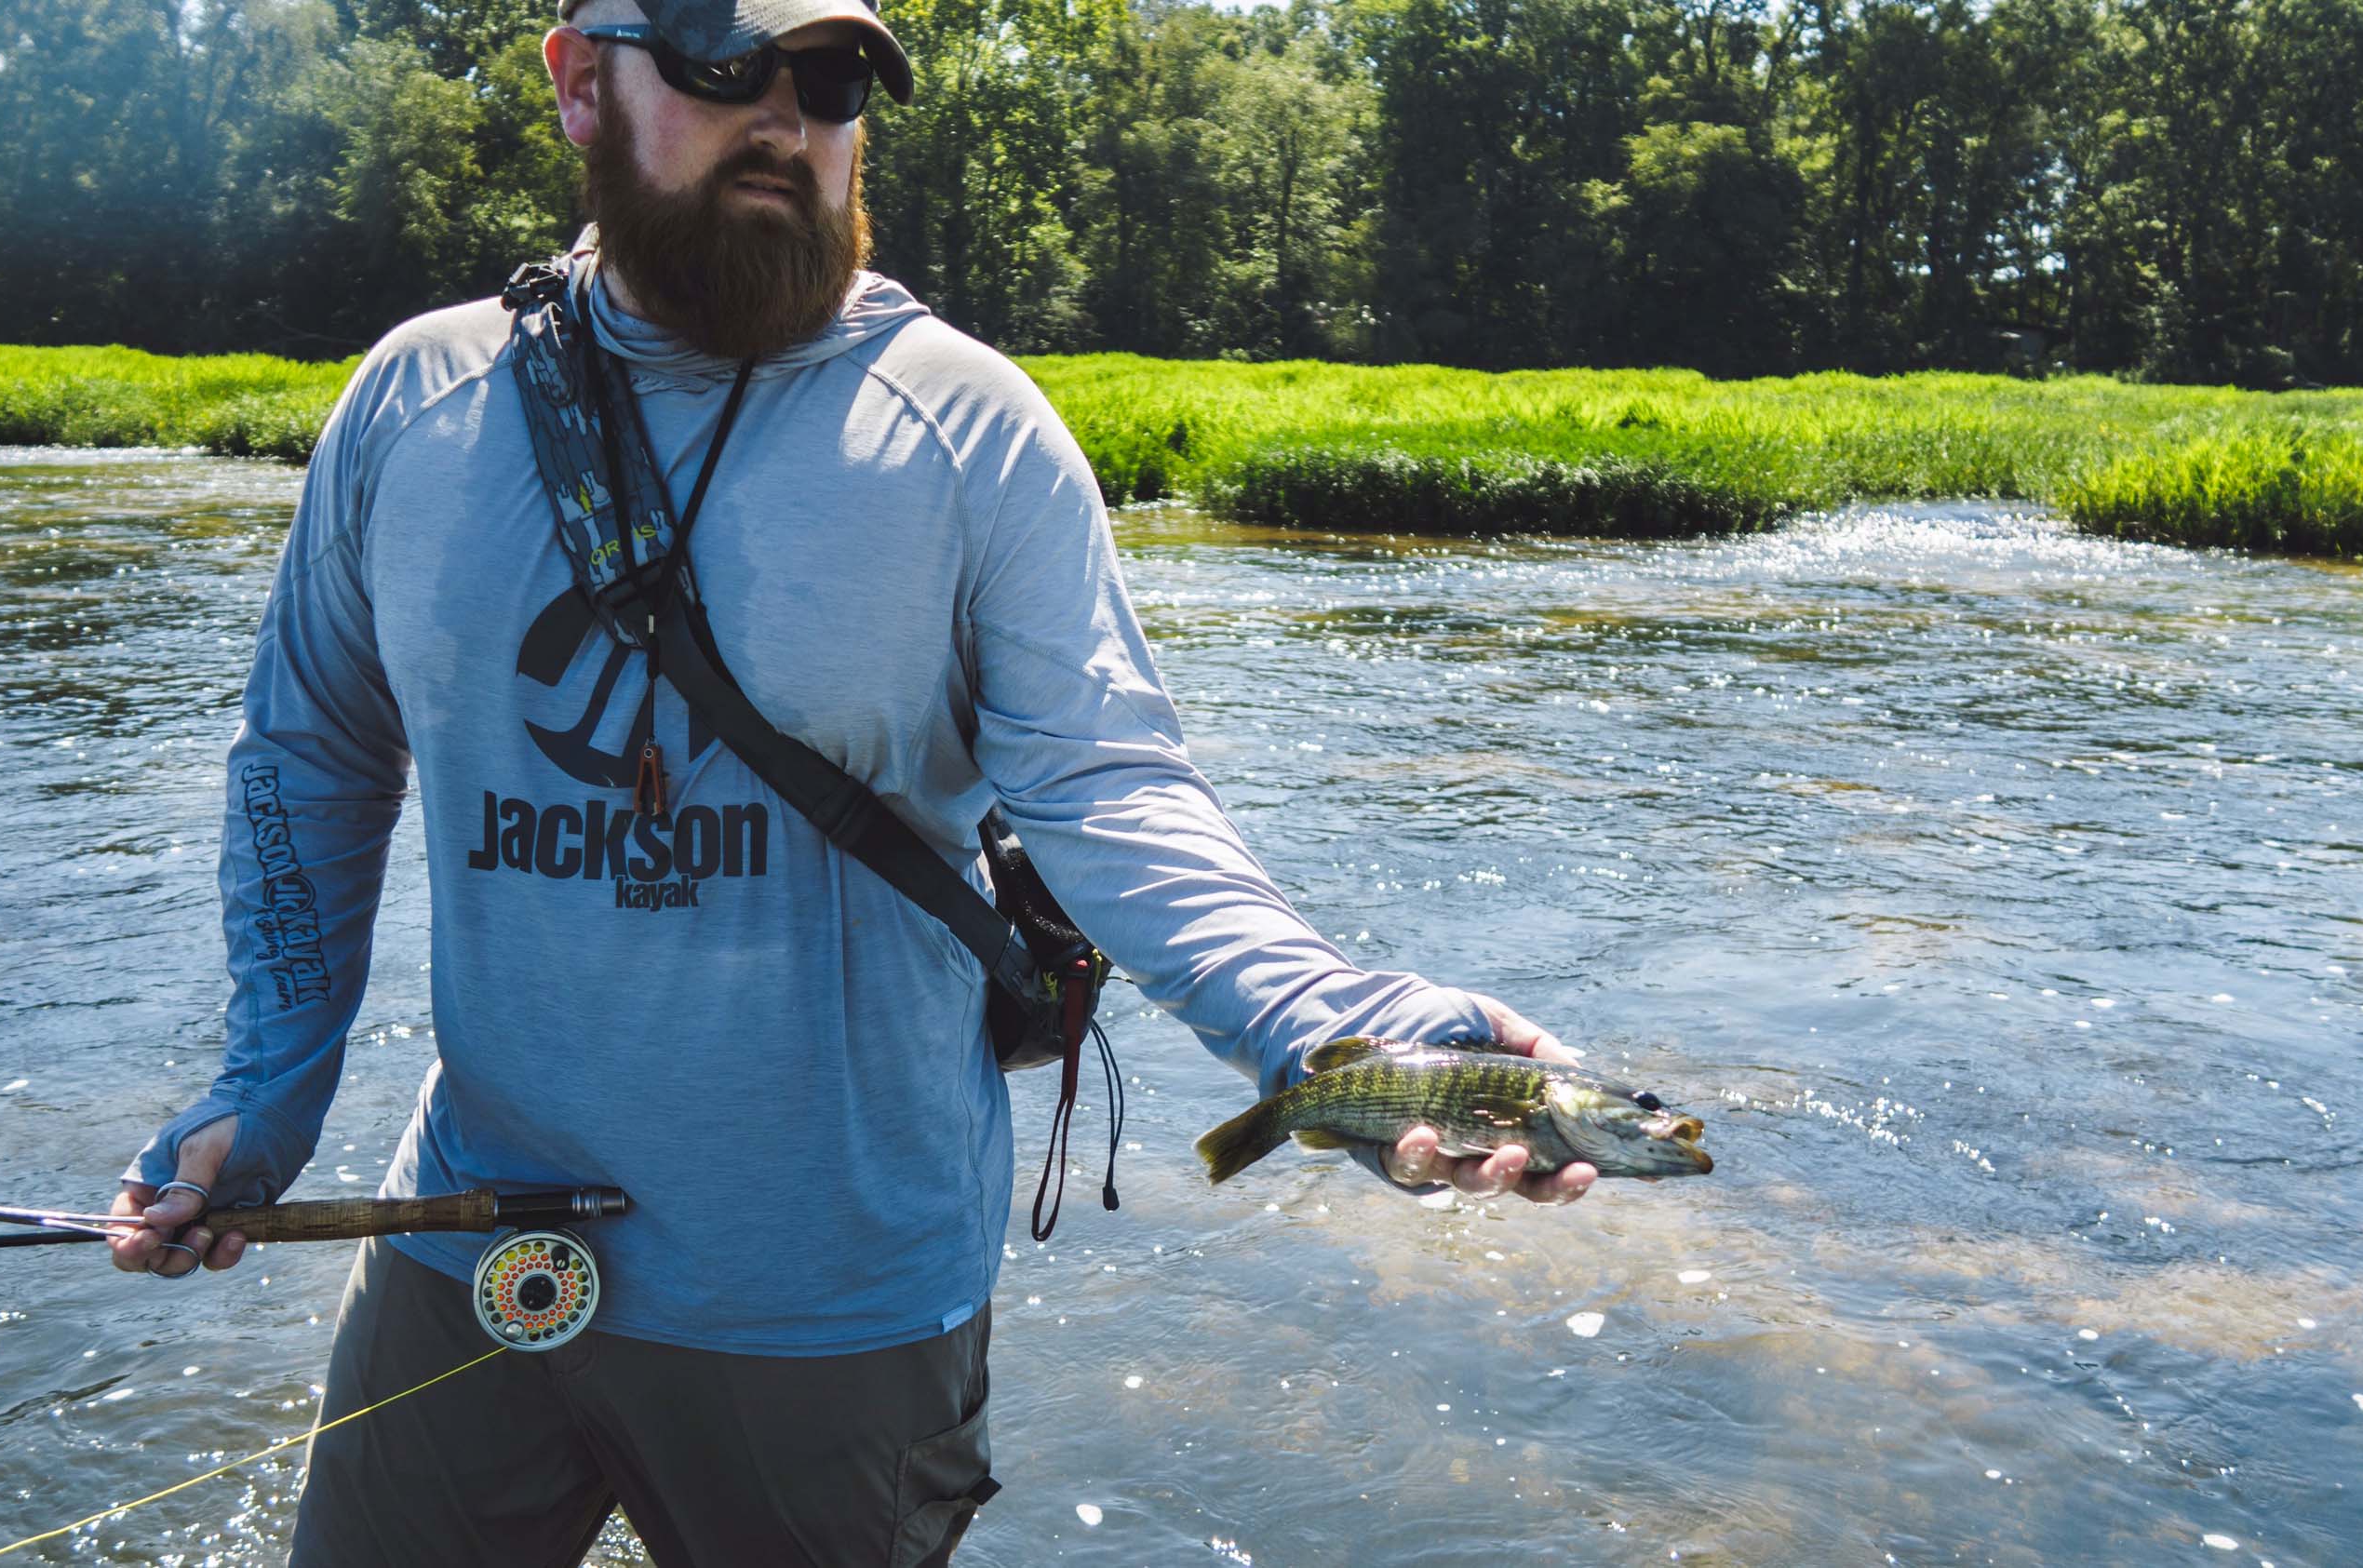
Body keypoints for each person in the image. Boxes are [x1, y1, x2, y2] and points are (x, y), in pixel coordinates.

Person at [103, 0, 1601, 1562]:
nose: (784, 117)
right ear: (573, 81)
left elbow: (1115, 791)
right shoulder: (416, 402)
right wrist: (264, 1090)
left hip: (835, 1313)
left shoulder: (968, 431)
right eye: (719, 62)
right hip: (469, 1243)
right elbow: (311, 756)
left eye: (826, 82)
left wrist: (1330, 1032)